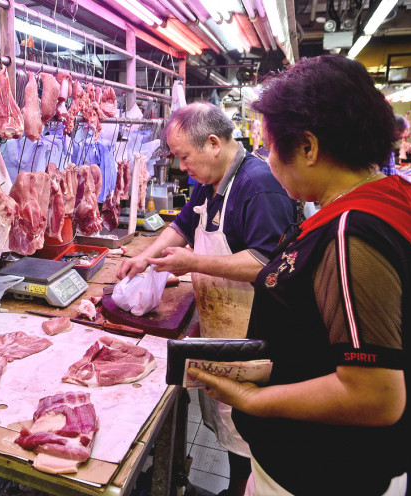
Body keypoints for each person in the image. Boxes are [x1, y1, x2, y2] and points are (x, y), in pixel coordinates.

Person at [187, 55, 411, 496]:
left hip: (323, 475)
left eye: (271, 145)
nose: (267, 159)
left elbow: (377, 394)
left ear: (308, 147)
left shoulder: (352, 230)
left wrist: (255, 402)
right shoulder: (389, 198)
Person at [117, 102, 296, 496]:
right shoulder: (210, 181)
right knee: (230, 431)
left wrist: (193, 262)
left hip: (254, 335)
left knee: (250, 438)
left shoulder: (258, 184)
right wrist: (146, 257)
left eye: (184, 156)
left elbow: (266, 263)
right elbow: (181, 226)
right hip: (224, 328)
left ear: (213, 143)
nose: (182, 168)